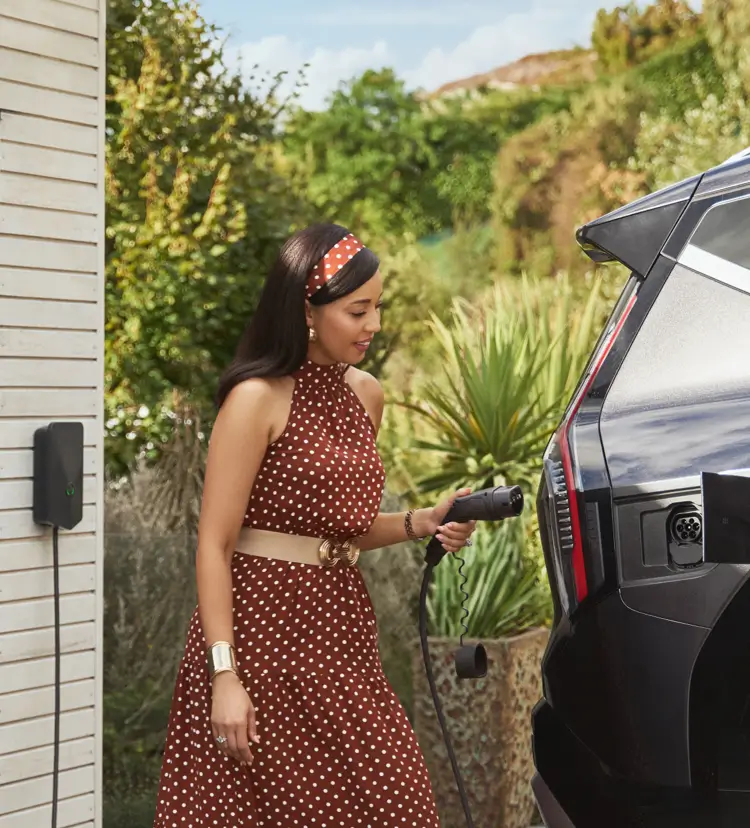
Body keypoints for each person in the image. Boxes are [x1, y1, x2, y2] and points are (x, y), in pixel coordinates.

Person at [152, 223, 477, 827]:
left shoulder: (366, 396)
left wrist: (422, 522)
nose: (373, 325)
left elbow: (337, 533)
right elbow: (215, 544)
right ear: (307, 308)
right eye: (358, 310)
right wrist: (224, 674)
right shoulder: (255, 399)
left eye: (378, 306)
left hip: (339, 630)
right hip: (260, 638)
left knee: (396, 800)